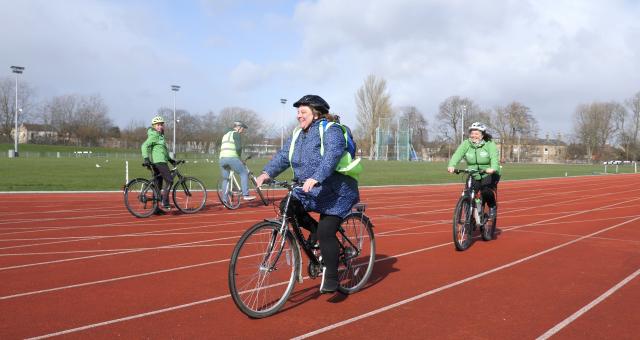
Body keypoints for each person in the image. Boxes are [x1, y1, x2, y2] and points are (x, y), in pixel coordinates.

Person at [255, 95, 360, 294]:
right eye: (297, 112)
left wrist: (317, 177)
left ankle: (331, 277)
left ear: (315, 112)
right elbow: (284, 156)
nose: (298, 116)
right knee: (287, 205)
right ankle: (317, 233)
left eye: (303, 112)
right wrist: (266, 173)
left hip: (336, 191)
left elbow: (332, 155)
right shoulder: (297, 134)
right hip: (308, 189)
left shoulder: (331, 130)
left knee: (326, 231)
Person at [447, 122, 501, 216]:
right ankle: (470, 216)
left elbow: (494, 158)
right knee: (469, 192)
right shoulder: (466, 144)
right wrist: (451, 165)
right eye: (472, 133)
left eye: (476, 134)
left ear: (482, 135)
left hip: (488, 173)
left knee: (486, 191)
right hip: (474, 173)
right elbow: (457, 155)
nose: (473, 136)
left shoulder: (489, 144)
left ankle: (492, 205)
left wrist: (493, 168)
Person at [141, 115, 176, 210]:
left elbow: (163, 151)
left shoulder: (160, 136)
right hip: (159, 162)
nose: (160, 126)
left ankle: (155, 209)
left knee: (158, 185)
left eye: (161, 125)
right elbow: (144, 146)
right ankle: (165, 202)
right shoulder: (154, 136)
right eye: (158, 125)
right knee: (169, 180)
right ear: (154, 126)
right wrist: (146, 158)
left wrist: (170, 159)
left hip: (161, 161)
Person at [219, 121, 255, 201]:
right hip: (232, 158)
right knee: (243, 173)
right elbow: (238, 148)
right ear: (239, 127)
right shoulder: (236, 134)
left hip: (222, 159)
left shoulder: (225, 135)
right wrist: (239, 157)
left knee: (225, 179)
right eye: (242, 129)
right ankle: (246, 194)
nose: (242, 131)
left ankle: (225, 200)